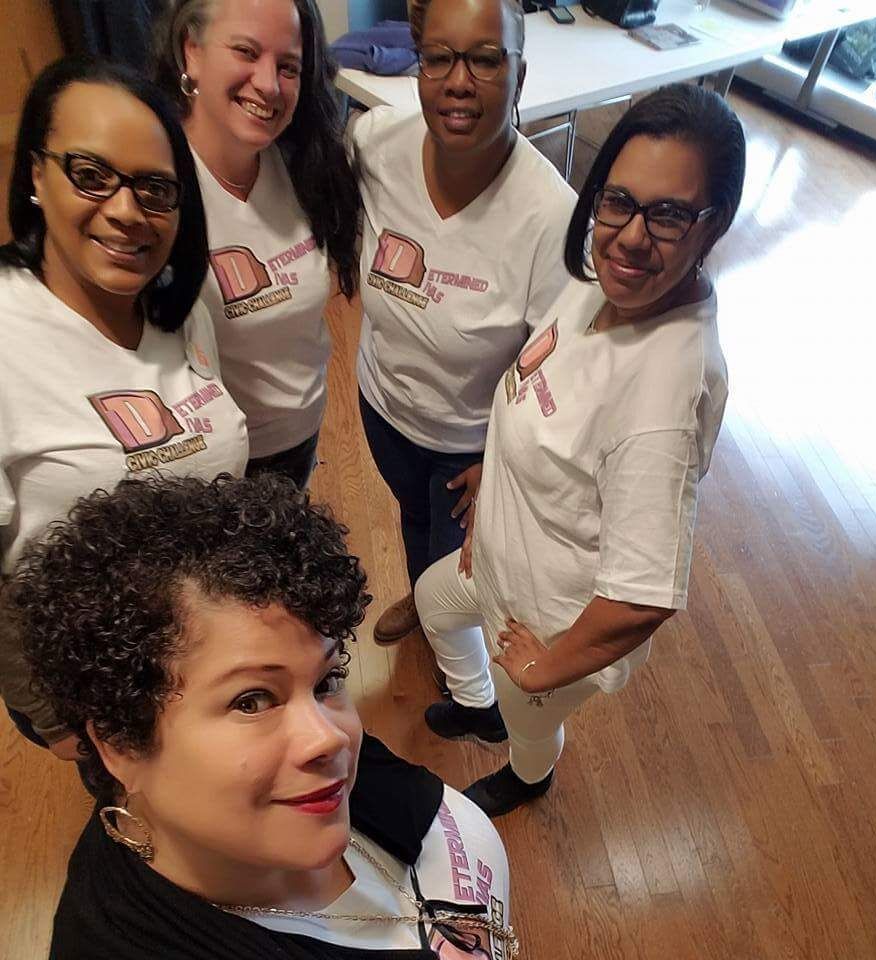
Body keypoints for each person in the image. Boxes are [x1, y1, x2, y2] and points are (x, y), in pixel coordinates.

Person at [6, 474, 515, 960]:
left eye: (326, 681)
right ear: (119, 743)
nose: (329, 738)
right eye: (251, 701)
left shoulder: (308, 786)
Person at [415, 84, 747, 816]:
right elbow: (550, 396)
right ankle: (479, 705)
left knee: (528, 723)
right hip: (500, 555)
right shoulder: (606, 285)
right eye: (618, 200)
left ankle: (531, 773)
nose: (631, 235)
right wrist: (496, 475)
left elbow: (641, 596)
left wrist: (542, 670)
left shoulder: (663, 391)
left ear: (712, 226)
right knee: (434, 604)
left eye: (667, 214)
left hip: (546, 621)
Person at [0, 56, 248, 758]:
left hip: (207, 651)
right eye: (91, 175)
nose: (125, 210)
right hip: (89, 692)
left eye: (154, 189)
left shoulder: (184, 307)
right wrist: (55, 722)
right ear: (35, 177)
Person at [350, 0, 577, 646]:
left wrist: (503, 463)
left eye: (484, 59)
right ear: (418, 68)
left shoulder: (549, 217)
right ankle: (425, 607)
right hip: (385, 408)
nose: (458, 81)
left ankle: (465, 686)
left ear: (519, 75)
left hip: (470, 445)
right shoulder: (374, 144)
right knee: (413, 518)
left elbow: (560, 371)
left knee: (463, 572)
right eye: (439, 58)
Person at [154, 0, 360, 489]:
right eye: (246, 51)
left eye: (288, 67)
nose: (268, 84)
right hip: (211, 465)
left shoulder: (304, 164)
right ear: (192, 52)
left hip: (301, 436)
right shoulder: (153, 184)